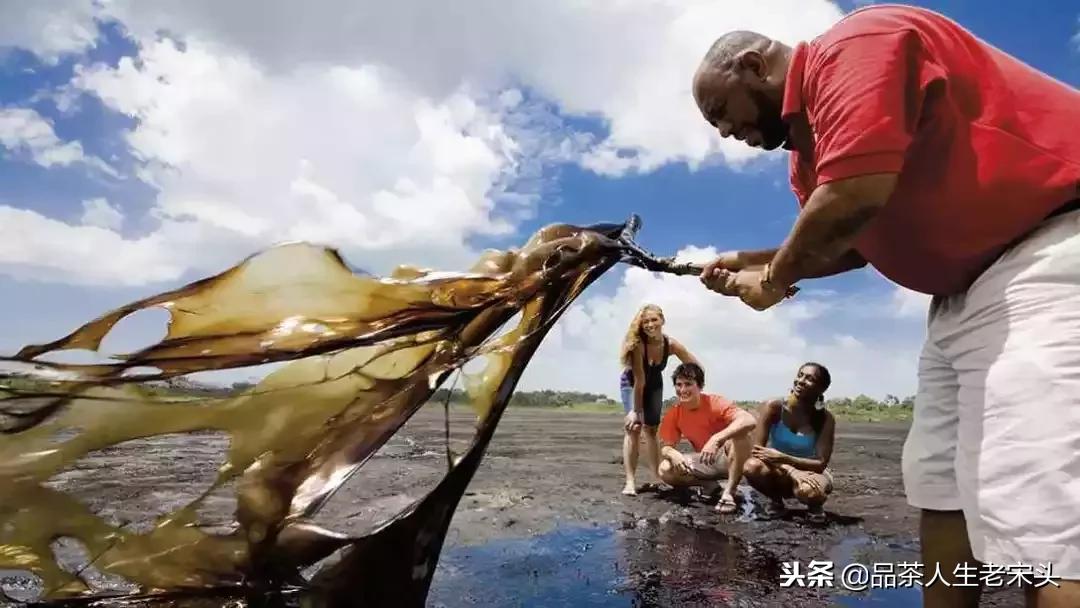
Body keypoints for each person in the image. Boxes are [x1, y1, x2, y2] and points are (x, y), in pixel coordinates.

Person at [688, 4, 1080, 606]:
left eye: (720, 111)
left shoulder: (854, 47)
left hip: (1045, 251)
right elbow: (847, 242)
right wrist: (751, 259)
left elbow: (851, 198)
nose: (722, 132)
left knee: (1033, 501)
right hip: (959, 298)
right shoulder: (807, 156)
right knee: (939, 485)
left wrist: (772, 280)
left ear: (752, 65)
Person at [619, 304, 699, 496]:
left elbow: (694, 364)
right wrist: (635, 412)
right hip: (632, 384)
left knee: (652, 429)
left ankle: (656, 477)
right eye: (645, 321)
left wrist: (694, 385)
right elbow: (639, 381)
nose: (650, 324)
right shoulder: (638, 345)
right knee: (634, 428)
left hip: (655, 383)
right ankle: (630, 481)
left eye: (654, 320)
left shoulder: (670, 344)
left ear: (662, 320)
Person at [656, 362, 756, 513]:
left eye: (688, 384)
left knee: (741, 435)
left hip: (733, 458)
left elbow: (749, 420)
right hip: (707, 459)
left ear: (700, 386)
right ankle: (710, 486)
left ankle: (730, 491)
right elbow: (665, 446)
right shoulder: (674, 413)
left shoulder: (715, 402)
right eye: (679, 384)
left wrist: (717, 439)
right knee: (665, 468)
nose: (682, 390)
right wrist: (672, 453)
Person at [742, 363, 835, 524]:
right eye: (800, 375)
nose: (801, 381)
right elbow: (757, 452)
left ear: (821, 389)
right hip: (779, 469)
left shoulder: (825, 418)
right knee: (752, 466)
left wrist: (785, 459)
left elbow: (820, 463)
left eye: (809, 379)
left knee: (808, 492)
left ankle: (814, 506)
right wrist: (792, 470)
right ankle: (776, 502)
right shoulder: (773, 407)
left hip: (812, 472)